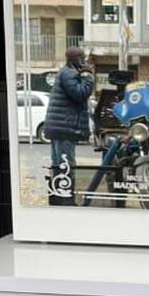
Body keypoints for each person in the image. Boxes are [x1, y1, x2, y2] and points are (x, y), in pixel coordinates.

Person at [45, 46, 94, 205]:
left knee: (59, 163)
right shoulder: (68, 73)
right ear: (77, 59)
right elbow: (80, 93)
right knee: (66, 164)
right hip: (64, 127)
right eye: (83, 58)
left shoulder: (66, 72)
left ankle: (57, 197)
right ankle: (65, 200)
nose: (85, 61)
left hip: (60, 126)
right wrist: (87, 75)